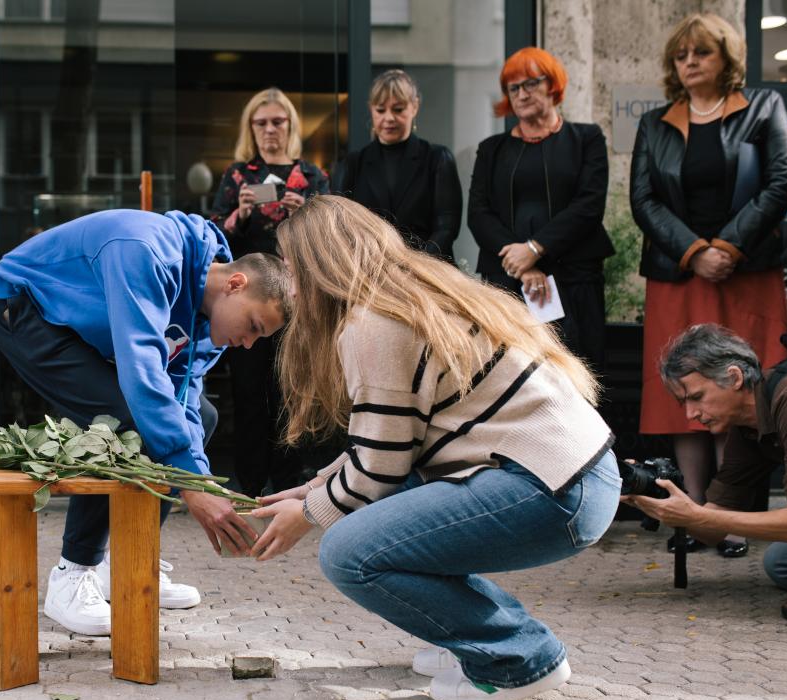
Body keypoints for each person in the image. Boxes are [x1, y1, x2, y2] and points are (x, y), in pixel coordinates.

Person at [250, 195, 620, 700]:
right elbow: (390, 440)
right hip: (576, 475)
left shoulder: (372, 326)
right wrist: (314, 487)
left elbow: (378, 469)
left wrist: (308, 515)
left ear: (317, 264)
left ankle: (519, 659)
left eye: (290, 268)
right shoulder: (415, 295)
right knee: (385, 509)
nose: (289, 286)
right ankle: (465, 642)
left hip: (551, 488)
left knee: (350, 553)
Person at [0, 208, 289, 636]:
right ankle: (72, 575)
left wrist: (200, 482)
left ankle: (127, 561)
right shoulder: (146, 251)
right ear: (236, 285)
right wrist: (190, 487)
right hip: (22, 304)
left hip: (77, 324)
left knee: (203, 415)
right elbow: (141, 373)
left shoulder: (207, 321)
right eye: (254, 326)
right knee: (123, 421)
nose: (249, 344)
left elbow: (183, 402)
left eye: (260, 338)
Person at [631, 13, 787, 559]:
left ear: (726, 57)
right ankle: (694, 512)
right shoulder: (655, 123)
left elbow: (780, 180)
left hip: (744, 270)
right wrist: (694, 251)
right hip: (680, 273)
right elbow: (644, 200)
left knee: (743, 384)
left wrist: (727, 246)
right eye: (682, 55)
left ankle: (737, 517)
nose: (691, 62)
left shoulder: (762, 107)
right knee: (681, 390)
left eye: (702, 52)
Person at [622, 324, 787, 623]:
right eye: (683, 403)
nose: (690, 415)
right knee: (786, 563)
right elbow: (714, 526)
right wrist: (654, 497)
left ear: (734, 377)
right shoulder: (747, 426)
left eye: (696, 397)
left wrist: (696, 517)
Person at [209, 87, 329, 499]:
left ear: (291, 126)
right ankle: (249, 483)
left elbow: (330, 238)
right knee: (248, 393)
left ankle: (289, 483)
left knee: (292, 391)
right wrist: (238, 215)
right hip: (245, 302)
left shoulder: (311, 176)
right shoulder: (238, 175)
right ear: (251, 128)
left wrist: (305, 216)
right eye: (261, 122)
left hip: (297, 301)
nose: (270, 129)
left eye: (278, 121)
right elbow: (215, 239)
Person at [468, 47, 614, 378]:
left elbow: (589, 205)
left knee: (579, 374)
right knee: (510, 377)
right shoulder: (492, 149)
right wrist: (522, 264)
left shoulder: (586, 139)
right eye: (513, 87)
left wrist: (535, 250)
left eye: (531, 83)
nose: (522, 94)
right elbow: (478, 213)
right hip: (508, 280)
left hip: (574, 278)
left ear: (553, 85)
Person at [331, 69, 462, 261]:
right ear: (371, 109)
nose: (389, 118)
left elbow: (447, 226)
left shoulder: (437, 158)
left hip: (428, 272)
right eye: (381, 110)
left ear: (414, 107)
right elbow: (339, 225)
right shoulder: (352, 164)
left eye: (398, 109)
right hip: (369, 272)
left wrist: (415, 266)